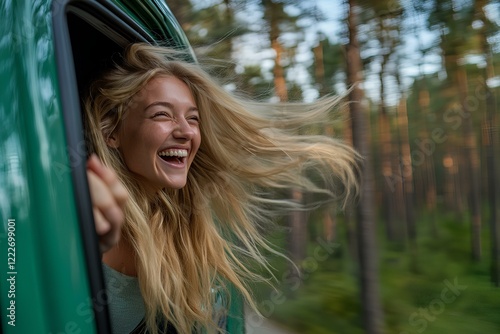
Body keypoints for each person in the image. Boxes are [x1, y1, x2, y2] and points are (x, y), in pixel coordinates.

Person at [84, 43, 359, 334]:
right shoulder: (84, 208)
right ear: (111, 132)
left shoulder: (181, 231)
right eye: (162, 114)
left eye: (193, 119)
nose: (186, 131)